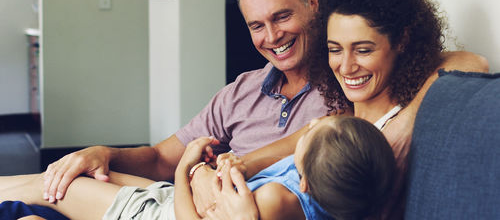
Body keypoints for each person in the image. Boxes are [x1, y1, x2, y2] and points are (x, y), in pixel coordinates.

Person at [206, 0, 489, 219]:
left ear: (402, 41)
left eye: (363, 50)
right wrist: (199, 173)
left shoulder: (378, 138)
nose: (346, 66)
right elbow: (247, 163)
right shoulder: (335, 124)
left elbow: (472, 62)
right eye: (334, 49)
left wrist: (407, 122)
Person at [39, 0, 329, 206]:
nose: (272, 36)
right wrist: (104, 153)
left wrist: (202, 170)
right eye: (257, 26)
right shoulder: (242, 90)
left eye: (282, 17)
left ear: (313, 2)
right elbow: (161, 159)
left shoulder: (346, 90)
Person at [1, 116, 397, 220]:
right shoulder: (341, 183)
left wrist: (186, 168)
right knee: (50, 176)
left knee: (57, 185)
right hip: (170, 200)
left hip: (163, 212)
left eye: (309, 135)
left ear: (305, 182)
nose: (307, 127)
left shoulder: (276, 201)